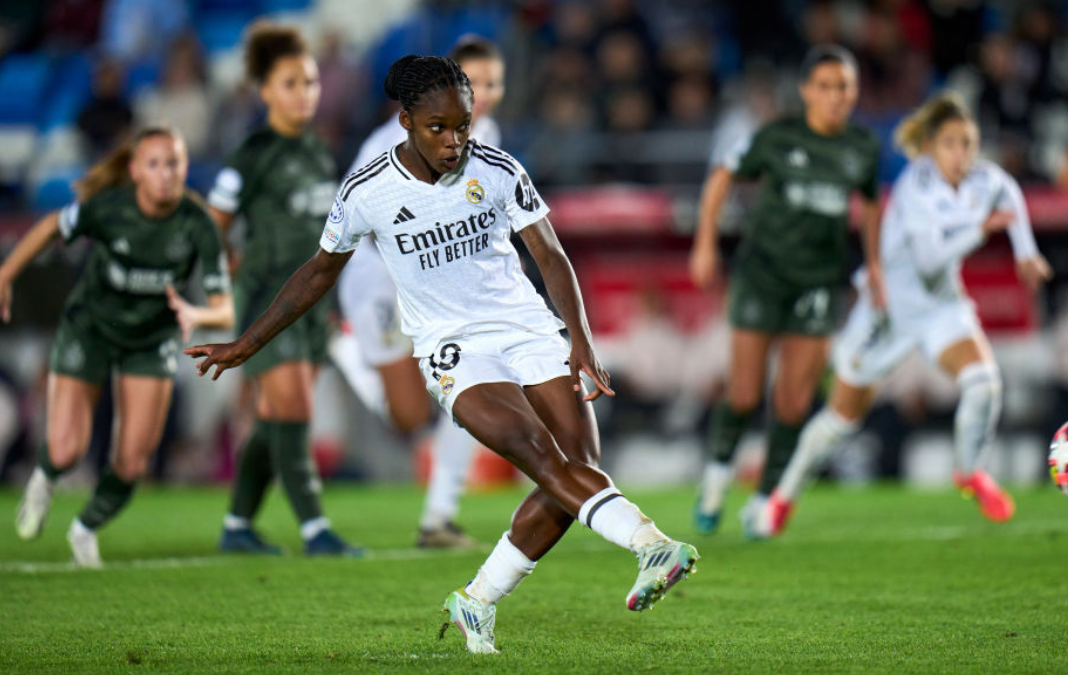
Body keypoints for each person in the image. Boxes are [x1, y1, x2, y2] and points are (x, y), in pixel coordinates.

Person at [186, 55, 699, 655]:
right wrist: (246, 343)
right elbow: (319, 272)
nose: (454, 141)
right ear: (405, 120)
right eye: (438, 128)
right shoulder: (367, 191)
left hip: (528, 328)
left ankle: (476, 601)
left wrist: (579, 338)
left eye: (463, 125)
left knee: (577, 468)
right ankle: (649, 543)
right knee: (541, 455)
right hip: (454, 348)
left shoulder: (499, 168)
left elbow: (550, 254)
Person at [766, 92, 1052, 536]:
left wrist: (1026, 252)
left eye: (968, 143)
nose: (960, 154)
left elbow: (1009, 193)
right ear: (930, 147)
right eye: (950, 144)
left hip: (940, 306)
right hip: (888, 311)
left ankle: (970, 471)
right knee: (840, 421)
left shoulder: (982, 178)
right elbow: (928, 260)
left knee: (983, 383)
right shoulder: (915, 187)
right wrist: (979, 230)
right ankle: (783, 496)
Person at [0, 125, 234, 567]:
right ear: (135, 170)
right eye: (154, 164)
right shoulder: (109, 209)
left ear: (185, 168)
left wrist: (195, 314)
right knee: (67, 450)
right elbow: (51, 226)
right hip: (90, 328)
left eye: (173, 163)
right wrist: (1, 278)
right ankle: (44, 478)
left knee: (133, 463)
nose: (165, 174)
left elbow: (223, 310)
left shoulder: (198, 223)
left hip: (150, 341)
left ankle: (85, 527)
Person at [689, 45, 885, 538]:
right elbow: (722, 175)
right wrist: (705, 242)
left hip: (818, 282)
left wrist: (875, 264)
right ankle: (715, 481)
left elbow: (871, 204)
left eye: (844, 87)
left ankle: (763, 501)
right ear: (806, 91)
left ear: (854, 92)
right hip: (763, 276)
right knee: (744, 394)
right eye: (825, 86)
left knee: (794, 404)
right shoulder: (777, 137)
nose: (835, 96)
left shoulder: (862, 146)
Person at [330, 36, 505, 548]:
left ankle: (438, 518)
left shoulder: (487, 133)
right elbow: (356, 222)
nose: (484, 93)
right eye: (474, 82)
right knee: (410, 416)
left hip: (439, 279)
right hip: (379, 278)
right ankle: (350, 351)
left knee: (469, 386)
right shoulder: (392, 142)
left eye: (493, 83)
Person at [205, 22, 359, 557]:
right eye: (291, 83)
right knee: (292, 409)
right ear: (265, 90)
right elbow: (212, 224)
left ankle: (236, 526)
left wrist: (334, 302)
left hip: (313, 304)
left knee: (276, 418)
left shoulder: (319, 152)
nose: (304, 93)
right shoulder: (252, 155)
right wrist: (223, 274)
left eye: (311, 82)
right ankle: (316, 530)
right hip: (267, 298)